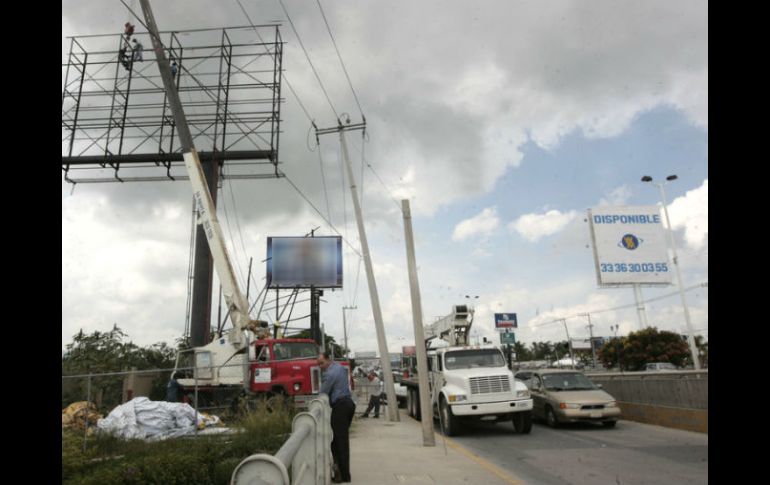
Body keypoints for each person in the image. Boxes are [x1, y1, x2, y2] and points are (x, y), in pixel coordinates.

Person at [318, 351, 354, 483]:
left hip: (341, 407)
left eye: (322, 363)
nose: (320, 366)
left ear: (328, 360)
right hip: (348, 405)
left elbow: (323, 392)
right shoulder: (339, 367)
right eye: (318, 364)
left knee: (339, 442)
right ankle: (341, 472)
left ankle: (343, 476)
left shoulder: (329, 374)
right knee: (339, 441)